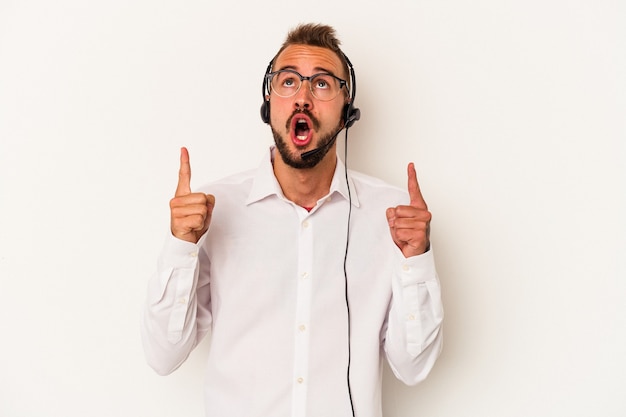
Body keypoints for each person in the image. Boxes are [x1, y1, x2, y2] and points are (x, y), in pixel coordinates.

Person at [141, 23, 443, 417]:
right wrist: (181, 247)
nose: (302, 97)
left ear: (346, 108)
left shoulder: (391, 217)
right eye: (288, 82)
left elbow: (414, 367)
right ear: (268, 102)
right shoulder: (213, 210)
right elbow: (163, 355)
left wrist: (417, 259)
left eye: (321, 84)